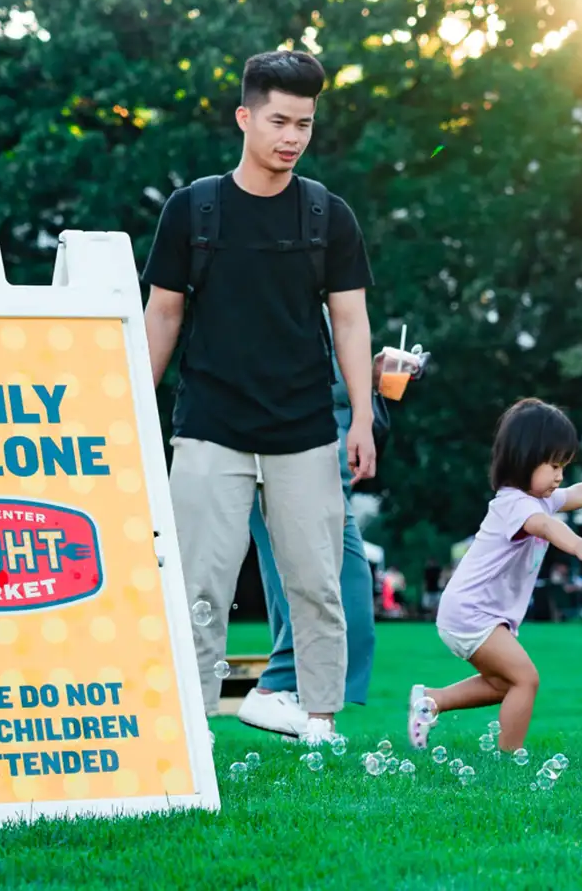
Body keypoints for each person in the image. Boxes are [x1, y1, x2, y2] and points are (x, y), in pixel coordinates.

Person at [141, 49, 375, 743]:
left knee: (317, 583)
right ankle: (191, 726)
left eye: (304, 123)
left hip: (305, 429)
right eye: (279, 120)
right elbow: (162, 316)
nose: (293, 136)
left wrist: (360, 416)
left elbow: (351, 318)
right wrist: (128, 408)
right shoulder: (194, 210)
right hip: (210, 426)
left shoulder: (326, 215)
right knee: (198, 589)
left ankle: (321, 719)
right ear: (245, 116)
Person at [405, 398, 582, 753]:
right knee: (525, 679)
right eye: (552, 465)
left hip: (480, 613)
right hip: (471, 613)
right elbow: (545, 526)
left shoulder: (540, 498)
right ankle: (510, 758)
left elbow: (573, 494)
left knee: (504, 683)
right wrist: (578, 545)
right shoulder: (515, 504)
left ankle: (430, 701)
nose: (560, 475)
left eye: (564, 465)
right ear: (522, 459)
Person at [237, 342, 414, 735]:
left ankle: (298, 708)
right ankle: (279, 696)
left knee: (320, 601)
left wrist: (372, 378)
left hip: (332, 478)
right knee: (317, 597)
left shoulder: (332, 308)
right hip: (287, 466)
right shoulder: (288, 303)